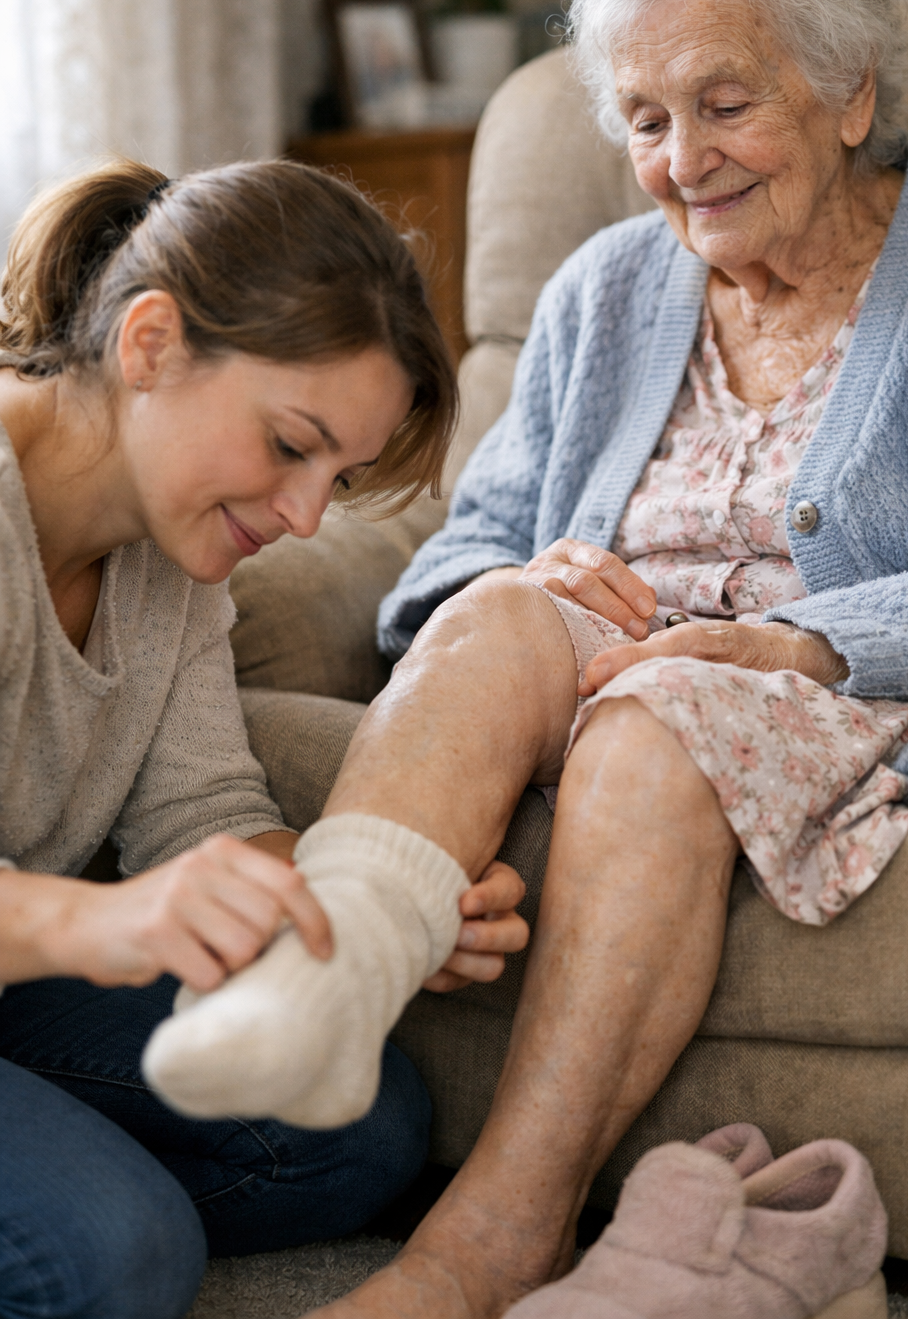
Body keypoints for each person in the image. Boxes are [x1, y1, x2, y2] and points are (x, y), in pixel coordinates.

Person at [142, 0, 908, 1319]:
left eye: (724, 104)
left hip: (827, 691)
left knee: (657, 718)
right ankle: (328, 977)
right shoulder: (606, 288)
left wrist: (799, 635)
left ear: (849, 93)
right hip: (593, 664)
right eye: (646, 119)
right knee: (497, 612)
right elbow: (447, 563)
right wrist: (521, 577)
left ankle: (489, 1241)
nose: (680, 160)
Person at [0, 158, 529, 1319]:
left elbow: (202, 817)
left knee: (360, 1129)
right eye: (291, 444)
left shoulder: (169, 558)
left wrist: (380, 904)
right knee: (118, 1254)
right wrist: (100, 921)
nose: (299, 517)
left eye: (332, 476)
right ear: (150, 345)